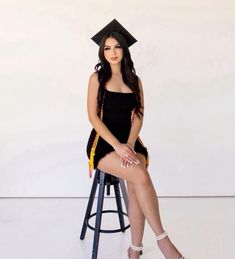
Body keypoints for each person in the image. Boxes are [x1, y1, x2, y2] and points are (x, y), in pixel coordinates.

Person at [86, 19, 184, 259]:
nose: (112, 53)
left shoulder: (134, 80)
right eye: (107, 48)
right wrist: (117, 146)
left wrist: (129, 143)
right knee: (140, 174)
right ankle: (163, 241)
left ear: (124, 49)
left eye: (116, 47)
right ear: (102, 52)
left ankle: (135, 249)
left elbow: (138, 116)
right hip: (104, 144)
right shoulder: (96, 79)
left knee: (136, 182)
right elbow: (93, 118)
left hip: (130, 141)